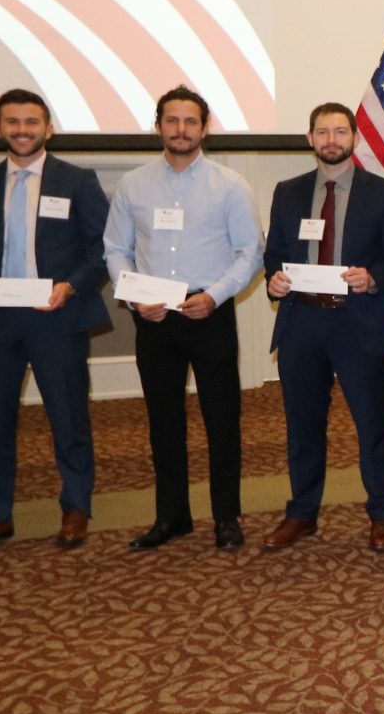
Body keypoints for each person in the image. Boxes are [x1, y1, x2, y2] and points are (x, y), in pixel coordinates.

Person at [103, 85, 264, 554]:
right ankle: (171, 516)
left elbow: (250, 253)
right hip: (154, 315)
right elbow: (115, 249)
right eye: (172, 121)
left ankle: (226, 518)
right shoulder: (133, 184)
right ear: (158, 127)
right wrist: (133, 297)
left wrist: (214, 296)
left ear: (204, 127)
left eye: (190, 121)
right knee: (163, 422)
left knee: (222, 420)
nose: (181, 130)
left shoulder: (231, 185)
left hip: (207, 313)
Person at [0, 88, 112, 553]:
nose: (22, 130)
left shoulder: (77, 180)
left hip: (56, 318)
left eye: (31, 122)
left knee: (69, 419)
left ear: (49, 128)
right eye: (12, 122)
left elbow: (101, 246)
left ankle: (76, 508)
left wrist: (71, 286)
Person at [263, 102, 384, 553]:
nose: (331, 140)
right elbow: (274, 253)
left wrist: (375, 278)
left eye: (340, 131)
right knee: (303, 425)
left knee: (374, 424)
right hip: (301, 323)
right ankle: (302, 513)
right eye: (322, 132)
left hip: (358, 323)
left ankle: (383, 513)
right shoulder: (287, 191)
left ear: (355, 138)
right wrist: (275, 279)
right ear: (310, 139)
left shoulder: (382, 193)